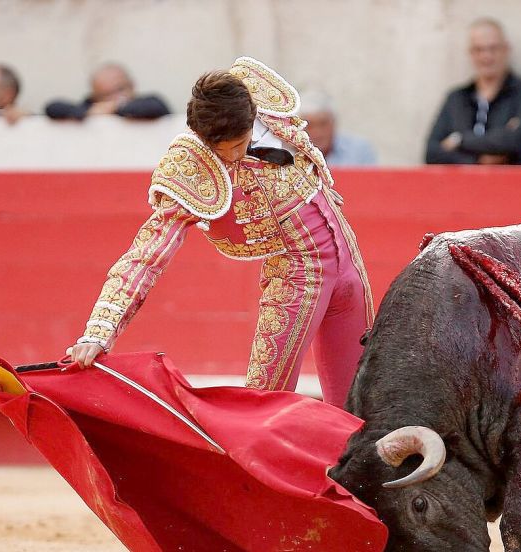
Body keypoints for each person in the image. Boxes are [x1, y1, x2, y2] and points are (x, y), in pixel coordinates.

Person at [68, 57, 374, 407]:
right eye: (220, 149)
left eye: (239, 144)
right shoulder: (190, 165)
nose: (230, 156)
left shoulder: (264, 101)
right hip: (297, 273)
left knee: (360, 398)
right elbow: (147, 255)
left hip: (348, 258)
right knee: (262, 403)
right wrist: (100, 330)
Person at [425, 17, 521, 165]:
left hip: (510, 184)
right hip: (460, 185)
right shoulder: (456, 98)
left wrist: (459, 140)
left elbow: (517, 140)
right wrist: (478, 161)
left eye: (493, 48)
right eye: (479, 49)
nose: (486, 56)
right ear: (471, 53)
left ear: (506, 49)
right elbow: (432, 153)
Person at [45, 63, 170, 120]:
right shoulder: (91, 107)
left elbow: (156, 107)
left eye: (120, 89)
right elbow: (53, 108)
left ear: (131, 85)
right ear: (95, 97)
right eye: (106, 95)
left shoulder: (147, 104)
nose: (116, 97)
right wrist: (89, 112)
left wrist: (116, 107)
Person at [298, 88, 377, 166]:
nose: (317, 132)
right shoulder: (287, 152)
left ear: (334, 123)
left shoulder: (358, 151)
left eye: (323, 124)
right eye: (309, 126)